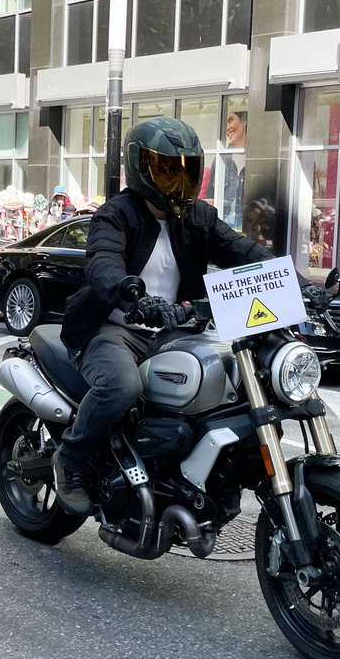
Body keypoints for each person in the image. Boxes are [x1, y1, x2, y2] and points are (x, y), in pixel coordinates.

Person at [53, 116, 276, 515]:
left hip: (174, 329)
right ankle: (69, 460)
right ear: (141, 167)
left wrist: (294, 279)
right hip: (113, 328)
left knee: (234, 382)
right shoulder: (116, 214)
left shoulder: (198, 217)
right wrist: (127, 291)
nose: (178, 180)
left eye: (186, 169)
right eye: (167, 169)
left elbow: (244, 251)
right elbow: (103, 263)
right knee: (121, 387)